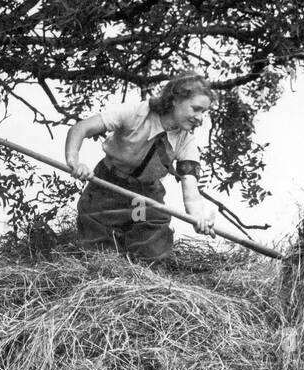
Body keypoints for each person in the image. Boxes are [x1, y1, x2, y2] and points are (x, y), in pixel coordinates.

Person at [65, 72, 218, 262]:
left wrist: (198, 218)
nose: (200, 118)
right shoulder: (136, 113)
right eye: (196, 109)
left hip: (143, 197)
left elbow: (191, 189)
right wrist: (74, 161)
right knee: (100, 254)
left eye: (204, 112)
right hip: (107, 187)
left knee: (150, 252)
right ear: (175, 99)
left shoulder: (186, 142)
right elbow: (81, 128)